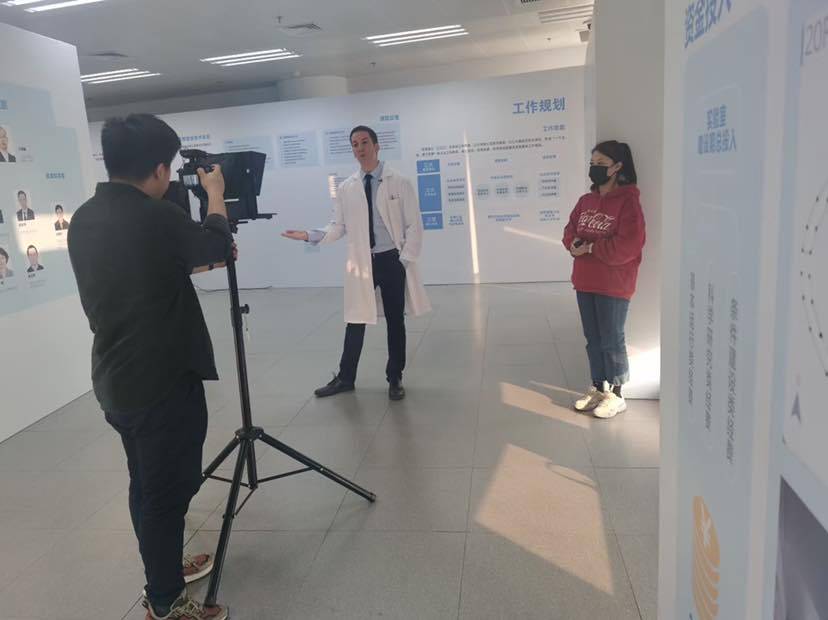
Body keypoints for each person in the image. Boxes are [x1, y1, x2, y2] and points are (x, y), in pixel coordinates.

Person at [68, 114, 233, 620]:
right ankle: (165, 602)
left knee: (145, 484)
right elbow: (217, 246)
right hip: (163, 384)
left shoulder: (84, 218)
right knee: (166, 494)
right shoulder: (156, 217)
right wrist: (215, 194)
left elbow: (147, 268)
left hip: (116, 379)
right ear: (160, 169)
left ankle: (165, 569)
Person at [282, 125, 430, 401]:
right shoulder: (347, 187)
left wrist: (404, 260)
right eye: (354, 144)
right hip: (362, 263)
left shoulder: (400, 182)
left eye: (364, 142)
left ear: (376, 145)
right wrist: (309, 235)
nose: (359, 148)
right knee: (355, 318)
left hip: (391, 260)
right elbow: (338, 226)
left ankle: (395, 377)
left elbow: (414, 225)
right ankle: (345, 377)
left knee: (395, 320)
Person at [562, 140, 645, 419]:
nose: (594, 168)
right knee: (593, 339)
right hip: (585, 280)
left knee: (612, 339)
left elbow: (629, 245)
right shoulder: (585, 201)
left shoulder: (628, 202)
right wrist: (573, 244)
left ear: (617, 167)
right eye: (592, 163)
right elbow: (570, 230)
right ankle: (598, 387)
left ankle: (617, 394)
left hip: (614, 283)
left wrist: (590, 247)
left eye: (601, 164)